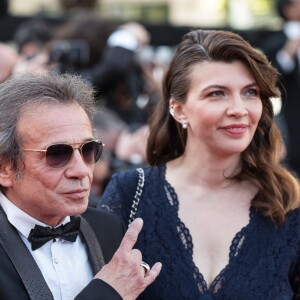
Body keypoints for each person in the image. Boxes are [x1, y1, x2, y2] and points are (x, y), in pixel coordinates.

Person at [98, 29, 300, 299]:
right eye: (217, 94)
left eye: (250, 92)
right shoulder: (130, 192)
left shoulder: (287, 202)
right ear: (179, 109)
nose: (239, 109)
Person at [0, 72, 161, 299]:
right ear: (4, 168)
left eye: (88, 150)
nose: (81, 170)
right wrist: (107, 292)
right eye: (56, 154)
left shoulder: (109, 229)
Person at [261, 0, 300, 176]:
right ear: (288, 10)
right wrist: (288, 53)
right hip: (293, 107)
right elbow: (272, 78)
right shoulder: (274, 41)